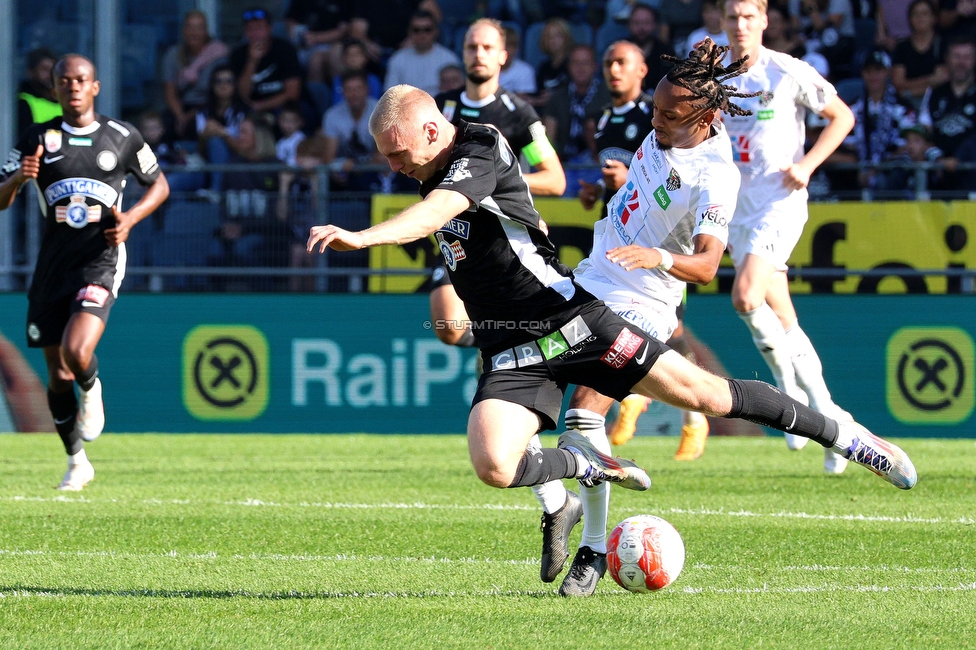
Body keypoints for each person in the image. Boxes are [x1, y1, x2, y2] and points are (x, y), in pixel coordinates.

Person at [305, 83, 916, 590]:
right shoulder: (434, 159)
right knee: (494, 464)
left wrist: (365, 237)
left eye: (396, 153)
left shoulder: (479, 143)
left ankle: (850, 437)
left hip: (571, 320)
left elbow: (440, 213)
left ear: (433, 132)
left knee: (707, 395)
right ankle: (585, 472)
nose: (392, 166)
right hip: (514, 343)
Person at [530, 38, 747, 597]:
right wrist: (620, 189)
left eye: (668, 116)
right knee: (518, 385)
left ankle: (594, 551)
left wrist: (660, 256)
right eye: (654, 109)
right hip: (594, 275)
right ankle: (560, 505)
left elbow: (704, 266)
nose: (654, 121)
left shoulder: (717, 175)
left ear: (707, 117)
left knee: (582, 415)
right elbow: (651, 194)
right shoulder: (665, 127)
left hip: (643, 301)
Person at [0, 54, 170, 490]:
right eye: (64, 81)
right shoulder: (37, 138)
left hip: (101, 260)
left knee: (78, 353)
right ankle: (77, 461)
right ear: (54, 89)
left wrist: (129, 220)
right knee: (57, 376)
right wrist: (19, 179)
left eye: (81, 80)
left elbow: (160, 185)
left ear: (95, 87)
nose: (73, 87)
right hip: (53, 268)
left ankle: (92, 389)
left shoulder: (120, 137)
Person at [722, 0, 857, 474]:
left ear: (763, 21)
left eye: (747, 17)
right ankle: (834, 424)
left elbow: (842, 117)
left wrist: (806, 165)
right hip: (735, 211)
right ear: (722, 21)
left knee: (744, 296)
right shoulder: (714, 76)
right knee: (783, 317)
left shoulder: (786, 71)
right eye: (732, 17)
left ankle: (787, 389)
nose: (739, 25)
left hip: (779, 203)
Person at [577, 40, 710, 460]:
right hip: (617, 243)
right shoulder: (600, 121)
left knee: (668, 332)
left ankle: (690, 416)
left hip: (658, 250)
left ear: (641, 70)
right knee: (630, 333)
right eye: (608, 62)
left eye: (622, 62)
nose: (613, 69)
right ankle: (634, 397)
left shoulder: (656, 116)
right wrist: (597, 189)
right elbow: (623, 180)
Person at [430, 18, 566, 347]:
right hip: (455, 232)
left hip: (502, 236)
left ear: (503, 56)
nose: (479, 54)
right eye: (472, 47)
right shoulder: (440, 108)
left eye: (487, 47)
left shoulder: (519, 114)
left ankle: (506, 349)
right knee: (448, 325)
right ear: (462, 53)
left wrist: (496, 184)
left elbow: (555, 179)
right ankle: (502, 341)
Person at [829, 48, 917, 193]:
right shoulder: (851, 109)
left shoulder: (903, 107)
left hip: (891, 171)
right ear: (862, 73)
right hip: (857, 170)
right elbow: (844, 143)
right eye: (868, 71)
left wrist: (877, 169)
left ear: (887, 72)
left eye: (878, 70)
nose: (873, 75)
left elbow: (910, 144)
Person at [161, 10, 229, 141]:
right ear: (184, 30)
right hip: (181, 107)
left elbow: (221, 92)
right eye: (190, 27)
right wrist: (181, 116)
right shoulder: (173, 54)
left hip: (210, 106)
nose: (194, 33)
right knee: (163, 126)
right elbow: (169, 91)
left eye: (199, 28)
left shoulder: (218, 54)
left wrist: (190, 116)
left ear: (206, 31)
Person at [541, 45, 609, 165]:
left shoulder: (607, 95)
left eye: (585, 63)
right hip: (562, 162)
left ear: (595, 66)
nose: (580, 68)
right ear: (568, 66)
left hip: (599, 163)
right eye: (575, 63)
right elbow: (548, 139)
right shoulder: (557, 96)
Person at [228, 8, 303, 114]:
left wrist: (259, 106)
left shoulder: (285, 49)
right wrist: (252, 61)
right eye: (250, 29)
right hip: (249, 109)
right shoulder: (237, 55)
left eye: (259, 28)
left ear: (269, 29)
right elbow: (242, 95)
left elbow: (292, 93)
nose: (255, 33)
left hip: (282, 108)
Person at [383, 10, 460, 97]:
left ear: (436, 31)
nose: (422, 34)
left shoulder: (449, 58)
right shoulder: (397, 59)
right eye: (416, 30)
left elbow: (455, 93)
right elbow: (390, 95)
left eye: (427, 29)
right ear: (409, 32)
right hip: (408, 108)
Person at [891, 0, 947, 108]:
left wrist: (911, 91)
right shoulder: (902, 47)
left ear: (934, 18)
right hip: (906, 104)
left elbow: (942, 79)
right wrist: (929, 80)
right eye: (915, 14)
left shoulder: (943, 44)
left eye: (924, 13)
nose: (920, 18)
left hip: (937, 101)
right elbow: (898, 83)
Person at [284, 0, 350, 84]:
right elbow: (290, 19)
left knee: (316, 60)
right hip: (301, 42)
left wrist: (316, 38)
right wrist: (296, 32)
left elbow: (342, 30)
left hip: (330, 44)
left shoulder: (343, 2)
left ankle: (338, 94)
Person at [626, 3, 676, 90]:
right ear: (629, 25)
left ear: (655, 25)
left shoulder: (666, 52)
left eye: (646, 23)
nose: (641, 28)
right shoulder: (620, 51)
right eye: (636, 23)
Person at [17, 48, 61, 137]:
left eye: (53, 70)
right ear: (31, 72)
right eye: (44, 70)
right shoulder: (23, 102)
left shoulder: (65, 100)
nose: (50, 75)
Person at [535, 18, 576, 105]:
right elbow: (539, 93)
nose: (552, 40)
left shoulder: (573, 64)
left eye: (558, 36)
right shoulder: (544, 67)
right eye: (548, 36)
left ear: (566, 37)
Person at [498, 26, 538, 100]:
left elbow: (523, 104)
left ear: (516, 49)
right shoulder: (484, 69)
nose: (505, 50)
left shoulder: (525, 71)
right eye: (502, 46)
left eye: (509, 46)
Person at [275, 101, 307, 167]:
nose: (287, 125)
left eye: (291, 121)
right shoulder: (280, 142)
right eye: (284, 120)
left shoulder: (302, 140)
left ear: (300, 122)